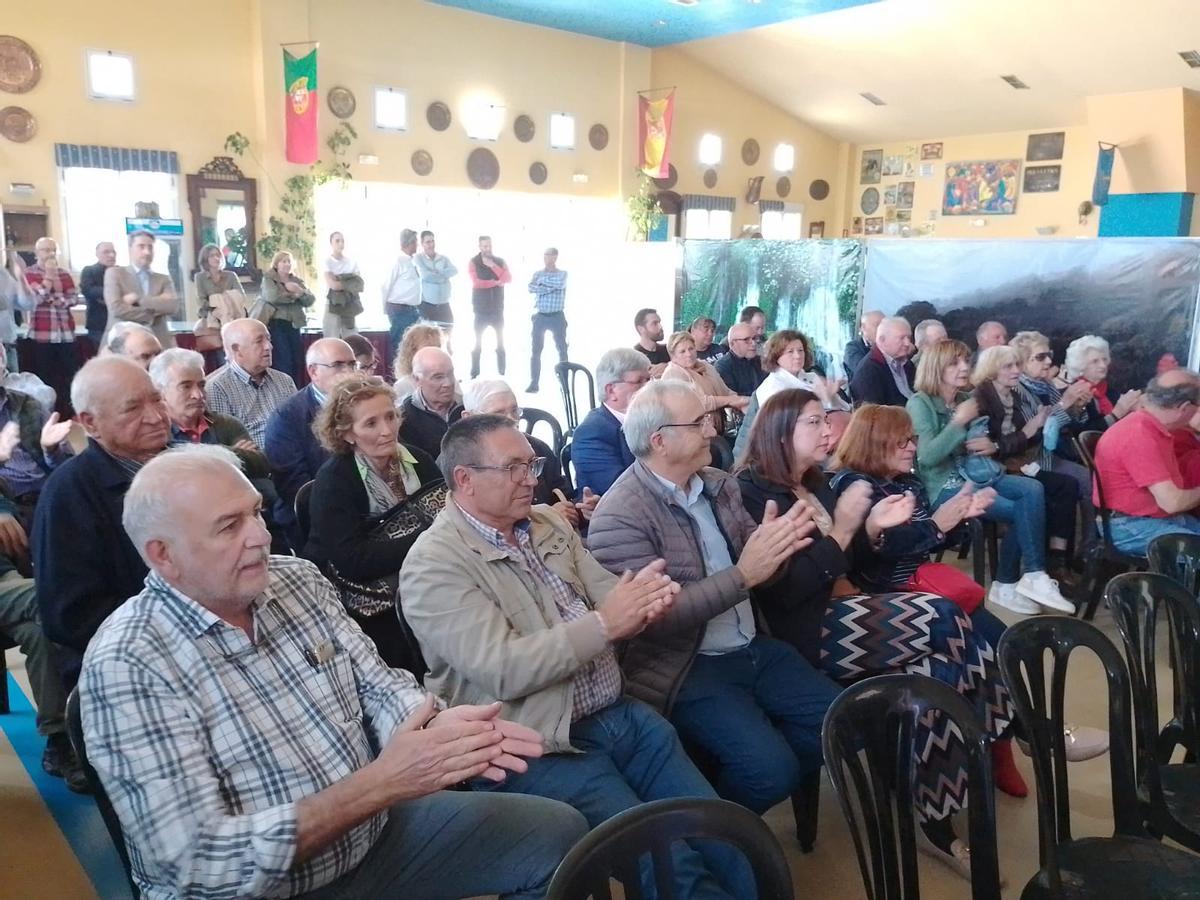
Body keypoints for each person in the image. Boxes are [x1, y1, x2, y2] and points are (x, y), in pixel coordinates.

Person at [81, 445, 587, 900]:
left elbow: (377, 683)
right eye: (229, 527)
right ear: (163, 556)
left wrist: (431, 728)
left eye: (256, 513)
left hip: (369, 837)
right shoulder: (130, 662)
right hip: (261, 891)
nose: (260, 536)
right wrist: (382, 783)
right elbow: (202, 862)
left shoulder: (295, 580)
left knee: (558, 835)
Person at [399, 415, 753, 898]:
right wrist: (607, 622)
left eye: (533, 464)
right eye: (515, 468)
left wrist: (649, 594)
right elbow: (505, 670)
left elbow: (609, 590)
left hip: (617, 715)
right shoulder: (432, 566)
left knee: (725, 836)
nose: (533, 478)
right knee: (670, 867)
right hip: (539, 744)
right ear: (465, 480)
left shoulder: (543, 523)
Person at [738, 389, 1025, 871]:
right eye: (814, 422)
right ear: (779, 431)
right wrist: (849, 527)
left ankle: (935, 818)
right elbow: (785, 592)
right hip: (804, 633)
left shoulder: (816, 482)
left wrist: (869, 531)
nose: (828, 429)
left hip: (846, 613)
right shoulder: (754, 492)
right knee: (940, 614)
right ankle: (1020, 727)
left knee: (933, 669)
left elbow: (856, 562)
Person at [587, 380, 842, 815]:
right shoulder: (619, 515)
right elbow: (654, 619)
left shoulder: (718, 485)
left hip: (751, 644)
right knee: (770, 770)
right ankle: (718, 834)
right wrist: (745, 573)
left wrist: (780, 546)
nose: (713, 431)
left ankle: (723, 813)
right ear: (659, 441)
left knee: (839, 724)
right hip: (687, 665)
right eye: (699, 422)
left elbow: (760, 565)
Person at [907, 339, 1076, 616]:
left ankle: (1032, 576)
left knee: (1033, 490)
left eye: (965, 361)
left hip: (977, 474)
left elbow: (979, 441)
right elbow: (928, 457)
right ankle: (1008, 582)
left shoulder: (964, 399)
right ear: (937, 368)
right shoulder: (921, 403)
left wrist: (980, 437)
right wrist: (958, 423)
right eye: (955, 362)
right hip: (946, 486)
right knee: (1022, 509)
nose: (964, 367)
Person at [32, 356, 170, 691]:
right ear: (90, 423)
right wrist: (180, 624)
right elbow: (71, 617)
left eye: (157, 399)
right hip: (125, 663)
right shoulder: (69, 493)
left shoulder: (181, 466)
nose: (156, 416)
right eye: (133, 408)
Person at [305, 375, 441, 666]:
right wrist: (429, 541)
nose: (387, 430)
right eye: (371, 423)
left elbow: (450, 518)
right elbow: (352, 561)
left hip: (425, 575)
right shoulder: (334, 481)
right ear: (347, 434)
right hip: (365, 597)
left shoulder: (419, 460)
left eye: (390, 417)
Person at [972, 345, 1081, 594]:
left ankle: (1057, 560)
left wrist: (1038, 427)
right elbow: (987, 448)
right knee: (1041, 490)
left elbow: (1024, 439)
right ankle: (1033, 571)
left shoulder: (1016, 396)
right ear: (991, 370)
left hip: (1019, 462)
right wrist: (1030, 430)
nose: (1016, 371)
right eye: (1008, 366)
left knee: (1068, 486)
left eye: (1016, 365)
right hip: (997, 469)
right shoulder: (981, 399)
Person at [461, 378, 597, 527]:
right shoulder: (461, 461)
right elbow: (474, 526)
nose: (512, 420)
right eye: (498, 415)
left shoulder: (537, 448)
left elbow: (563, 495)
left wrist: (582, 508)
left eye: (514, 411)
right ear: (470, 418)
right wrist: (547, 517)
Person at [1092, 370, 1200, 553]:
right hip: (1128, 525)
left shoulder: (1149, 426)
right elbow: (1172, 502)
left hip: (1150, 517)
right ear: (1184, 408)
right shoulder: (1139, 435)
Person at [264, 339, 359, 542]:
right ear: (314, 372)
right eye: (338, 365)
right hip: (311, 521)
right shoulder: (287, 418)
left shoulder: (364, 407)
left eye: (352, 364)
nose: (350, 372)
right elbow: (296, 489)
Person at [1010, 331, 1096, 517]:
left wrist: (1077, 407)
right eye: (1040, 357)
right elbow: (1037, 430)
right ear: (1022, 362)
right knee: (1087, 480)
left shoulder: (1044, 384)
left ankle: (1091, 540)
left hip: (1050, 456)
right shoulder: (1016, 389)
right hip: (1030, 461)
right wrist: (1066, 402)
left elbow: (1069, 422)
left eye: (1049, 355)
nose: (1048, 361)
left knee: (1090, 479)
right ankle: (1091, 541)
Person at [0, 352, 71, 519]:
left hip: (50, 496)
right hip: (11, 502)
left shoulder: (27, 404)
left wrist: (51, 450)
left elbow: (66, 467)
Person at [205, 319, 298, 446]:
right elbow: (226, 442)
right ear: (237, 349)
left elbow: (299, 424)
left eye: (268, 339)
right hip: (252, 462)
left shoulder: (284, 380)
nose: (269, 346)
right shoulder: (218, 387)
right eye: (259, 341)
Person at [571, 348, 649, 496]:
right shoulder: (591, 433)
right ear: (611, 390)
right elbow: (624, 491)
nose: (649, 388)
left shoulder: (651, 419)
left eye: (649, 380)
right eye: (639, 381)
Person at [22, 253, 80, 417]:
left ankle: (71, 412)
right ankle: (47, 414)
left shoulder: (64, 273)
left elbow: (74, 298)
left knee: (70, 374)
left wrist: (56, 300)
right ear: (37, 253)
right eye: (45, 249)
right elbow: (36, 298)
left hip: (66, 333)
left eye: (52, 249)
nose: (49, 253)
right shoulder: (29, 273)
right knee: (46, 376)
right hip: (43, 334)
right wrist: (48, 278)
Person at [103, 230, 178, 348]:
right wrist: (153, 313)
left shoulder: (163, 279)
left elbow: (172, 306)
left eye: (150, 247)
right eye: (141, 246)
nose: (147, 252)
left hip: (158, 344)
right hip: (123, 344)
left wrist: (138, 300)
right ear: (130, 249)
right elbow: (117, 309)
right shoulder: (115, 274)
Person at [1057, 334, 1142, 431]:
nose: (1103, 365)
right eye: (1095, 361)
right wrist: (1116, 414)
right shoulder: (1073, 393)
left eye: (1104, 359)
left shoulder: (1108, 390)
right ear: (1080, 365)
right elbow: (1080, 433)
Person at [259, 249, 315, 384]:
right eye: (283, 261)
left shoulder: (296, 281)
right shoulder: (269, 278)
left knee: (297, 360)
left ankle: (296, 389)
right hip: (277, 323)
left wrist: (299, 291)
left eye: (289, 261)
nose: (287, 264)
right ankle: (283, 390)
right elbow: (271, 296)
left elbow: (310, 300)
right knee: (283, 361)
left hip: (295, 324)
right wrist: (293, 296)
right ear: (276, 264)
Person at [397, 347, 463, 459]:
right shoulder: (405, 418)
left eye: (450, 374)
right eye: (438, 377)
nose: (448, 383)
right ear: (417, 380)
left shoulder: (467, 406)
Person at [661, 331, 748, 416]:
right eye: (682, 351)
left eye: (691, 348)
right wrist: (730, 400)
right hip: (690, 429)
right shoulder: (672, 374)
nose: (689, 354)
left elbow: (725, 391)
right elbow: (699, 403)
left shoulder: (706, 366)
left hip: (716, 427)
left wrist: (740, 401)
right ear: (673, 356)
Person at [525, 247, 568, 393]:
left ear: (555, 257)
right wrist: (549, 286)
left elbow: (560, 284)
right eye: (545, 255)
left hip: (557, 316)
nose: (546, 258)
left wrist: (542, 285)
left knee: (562, 349)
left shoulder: (562, 274)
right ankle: (534, 383)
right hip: (540, 317)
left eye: (549, 255)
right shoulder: (537, 273)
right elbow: (531, 288)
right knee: (536, 350)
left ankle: (565, 380)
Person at [468, 236, 511, 378]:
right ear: (479, 246)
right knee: (477, 342)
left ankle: (502, 371)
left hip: (497, 308)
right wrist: (494, 282)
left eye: (489, 245)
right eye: (485, 246)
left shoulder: (499, 261)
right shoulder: (473, 262)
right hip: (480, 310)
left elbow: (507, 278)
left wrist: (493, 265)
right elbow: (476, 283)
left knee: (501, 341)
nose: (488, 248)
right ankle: (475, 372)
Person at [849, 315, 915, 407]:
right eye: (901, 338)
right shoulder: (868, 371)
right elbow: (874, 415)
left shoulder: (907, 365)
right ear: (882, 340)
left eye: (909, 338)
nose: (907, 343)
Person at [194, 242, 246, 344]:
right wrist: (218, 305)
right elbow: (201, 300)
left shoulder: (231, 275)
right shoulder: (200, 277)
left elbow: (241, 296)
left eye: (218, 255)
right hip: (210, 318)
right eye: (212, 256)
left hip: (232, 317)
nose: (216, 258)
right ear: (205, 259)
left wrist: (219, 300)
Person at [413, 230, 457, 337]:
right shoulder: (418, 258)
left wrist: (437, 273)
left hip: (443, 304)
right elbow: (426, 276)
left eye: (433, 241)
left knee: (448, 334)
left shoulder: (443, 258)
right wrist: (443, 276)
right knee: (428, 337)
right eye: (428, 242)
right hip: (427, 305)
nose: (431, 244)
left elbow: (454, 270)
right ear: (422, 244)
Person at [391, 323, 445, 404]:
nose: (435, 354)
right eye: (427, 349)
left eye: (438, 348)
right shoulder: (403, 385)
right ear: (411, 352)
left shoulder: (448, 380)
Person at [324, 231, 363, 339]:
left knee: (352, 337)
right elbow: (333, 285)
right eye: (337, 241)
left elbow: (358, 284)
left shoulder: (352, 262)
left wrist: (338, 279)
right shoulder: (327, 261)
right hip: (333, 303)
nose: (340, 243)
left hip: (350, 302)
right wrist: (348, 281)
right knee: (331, 337)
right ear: (331, 243)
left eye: (342, 241)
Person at [0, 252, 34, 371]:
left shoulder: (3, 275)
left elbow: (28, 304)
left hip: (8, 346)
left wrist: (21, 277)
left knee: (11, 388)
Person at [79, 241, 116, 350]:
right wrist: (115, 293)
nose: (111, 255)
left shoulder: (121, 271)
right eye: (106, 252)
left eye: (113, 252)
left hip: (119, 323)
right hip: (99, 324)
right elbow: (89, 291)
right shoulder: (89, 271)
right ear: (97, 254)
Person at [714, 323, 766, 397]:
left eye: (754, 338)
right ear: (732, 344)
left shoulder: (760, 361)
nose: (753, 343)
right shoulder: (723, 367)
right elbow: (731, 401)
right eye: (746, 340)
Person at [844, 309, 883, 379]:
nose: (883, 329)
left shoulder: (890, 346)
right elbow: (865, 372)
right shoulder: (852, 347)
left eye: (885, 325)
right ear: (863, 328)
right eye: (877, 325)